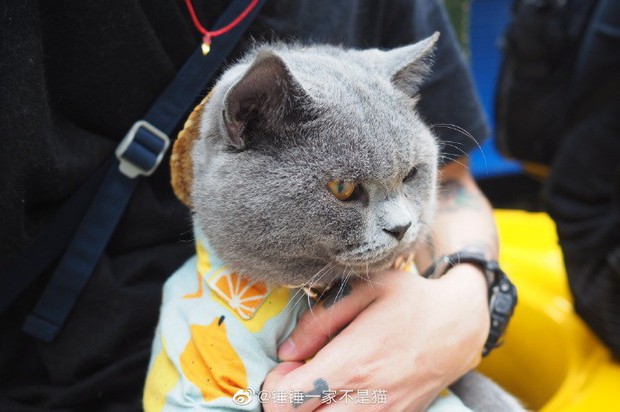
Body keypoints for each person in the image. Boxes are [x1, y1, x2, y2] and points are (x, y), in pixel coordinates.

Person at [0, 0, 499, 410]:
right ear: (250, 118)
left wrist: (466, 302)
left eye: (409, 175)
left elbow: (456, 183)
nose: (401, 223)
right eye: (346, 190)